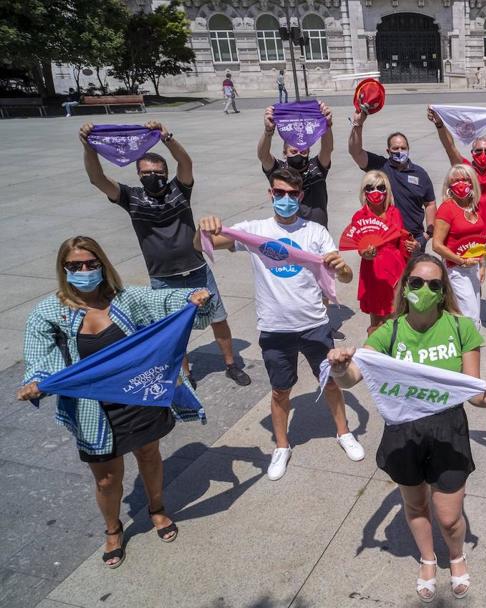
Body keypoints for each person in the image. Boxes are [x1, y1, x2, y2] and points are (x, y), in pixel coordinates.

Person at [16, 236, 215, 569]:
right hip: (94, 409)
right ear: (63, 270)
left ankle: (157, 508)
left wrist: (191, 297)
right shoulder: (50, 312)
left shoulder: (125, 299)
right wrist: (34, 382)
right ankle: (113, 529)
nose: (84, 270)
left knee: (149, 453)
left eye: (91, 264)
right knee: (107, 478)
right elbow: (40, 355)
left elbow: (164, 301)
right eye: (75, 266)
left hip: (139, 397)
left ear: (102, 265)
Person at [326, 254, 486, 601]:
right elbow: (351, 380)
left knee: (450, 518)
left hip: (447, 431)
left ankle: (456, 556)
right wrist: (339, 367)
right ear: (405, 287)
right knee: (416, 505)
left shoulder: (460, 328)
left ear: (442, 291)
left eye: (434, 284)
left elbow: (472, 392)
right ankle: (427, 559)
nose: (424, 289)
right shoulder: (387, 332)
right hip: (403, 432)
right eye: (417, 282)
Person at [194, 167, 365, 480]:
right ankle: (282, 446)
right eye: (279, 193)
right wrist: (203, 228)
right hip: (275, 328)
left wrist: (342, 269)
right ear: (270, 194)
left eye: (291, 194)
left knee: (329, 382)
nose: (285, 199)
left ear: (300, 196)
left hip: (314, 324)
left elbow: (343, 274)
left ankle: (343, 432)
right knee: (279, 391)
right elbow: (204, 243)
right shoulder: (255, 229)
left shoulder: (315, 232)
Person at [79, 121, 251, 388]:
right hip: (163, 278)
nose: (152, 176)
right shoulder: (131, 198)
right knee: (174, 330)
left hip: (196, 269)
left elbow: (186, 162)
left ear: (166, 172)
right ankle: (185, 373)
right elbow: (97, 179)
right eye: (146, 172)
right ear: (138, 174)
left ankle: (231, 363)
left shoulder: (179, 190)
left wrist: (166, 137)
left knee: (218, 318)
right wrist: (89, 148)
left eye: (158, 172)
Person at [428, 105, 486, 342]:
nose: (483, 154)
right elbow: (450, 148)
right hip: (471, 233)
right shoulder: (466, 171)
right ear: (473, 150)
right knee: (469, 279)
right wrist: (439, 124)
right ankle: (464, 323)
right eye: (478, 150)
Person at [348, 111, 436, 248]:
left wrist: (427, 234)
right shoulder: (380, 166)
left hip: (414, 240)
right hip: (385, 238)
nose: (400, 151)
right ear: (388, 151)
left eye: (403, 148)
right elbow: (355, 152)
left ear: (408, 149)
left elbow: (430, 203)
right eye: (395, 148)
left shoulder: (420, 173)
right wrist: (358, 125)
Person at [351, 171, 413, 333]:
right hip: (374, 273)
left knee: (399, 320)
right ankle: (376, 355)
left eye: (380, 187)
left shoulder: (395, 213)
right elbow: (359, 245)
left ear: (387, 191)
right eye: (370, 188)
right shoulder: (359, 216)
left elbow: (402, 241)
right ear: (364, 192)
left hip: (396, 270)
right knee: (378, 324)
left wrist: (412, 246)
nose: (375, 191)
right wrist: (366, 253)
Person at [430, 164, 486, 328]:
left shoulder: (475, 206)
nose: (461, 183)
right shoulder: (447, 208)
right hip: (455, 269)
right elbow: (436, 245)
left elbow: (478, 239)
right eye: (456, 180)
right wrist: (461, 261)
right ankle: (468, 349)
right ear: (449, 185)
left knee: (474, 314)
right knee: (469, 317)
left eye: (465, 179)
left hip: (474, 268)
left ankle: (470, 349)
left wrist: (482, 264)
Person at [258, 101, 334, 227]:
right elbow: (263, 155)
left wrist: (326, 125)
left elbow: (327, 149)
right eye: (293, 151)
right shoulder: (279, 170)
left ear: (309, 151)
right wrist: (268, 131)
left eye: (303, 151)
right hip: (288, 233)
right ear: (284, 153)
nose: (298, 154)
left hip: (317, 233)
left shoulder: (316, 168)